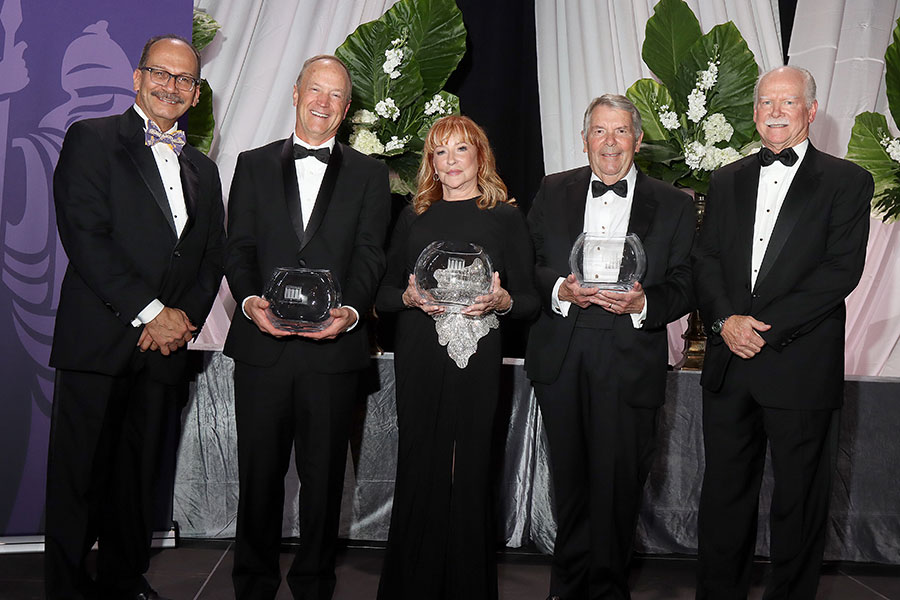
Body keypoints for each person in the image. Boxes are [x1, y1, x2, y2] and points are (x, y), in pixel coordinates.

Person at [46, 34, 224, 600]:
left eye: (184, 80)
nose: (171, 86)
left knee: (138, 478)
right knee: (79, 479)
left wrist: (182, 320)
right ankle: (67, 587)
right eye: (161, 73)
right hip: (100, 341)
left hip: (166, 349)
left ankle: (124, 579)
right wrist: (151, 313)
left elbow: (210, 255)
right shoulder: (92, 138)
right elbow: (86, 236)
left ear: (196, 94)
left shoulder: (205, 169)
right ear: (137, 78)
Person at [693, 66, 872, 600]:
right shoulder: (726, 178)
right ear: (754, 111)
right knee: (724, 496)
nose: (775, 111)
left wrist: (764, 332)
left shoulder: (847, 181)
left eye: (788, 102)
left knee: (798, 501)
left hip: (798, 364)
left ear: (810, 111)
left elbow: (840, 272)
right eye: (766, 101)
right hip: (729, 362)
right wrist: (727, 322)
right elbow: (706, 259)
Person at [223, 54, 390, 599]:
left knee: (324, 483)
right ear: (295, 93)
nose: (323, 102)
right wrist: (249, 302)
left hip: (333, 352)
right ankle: (252, 583)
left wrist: (352, 314)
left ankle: (314, 584)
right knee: (259, 478)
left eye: (336, 95)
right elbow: (240, 246)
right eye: (315, 90)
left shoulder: (369, 175)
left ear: (347, 109)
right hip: (261, 350)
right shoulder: (251, 163)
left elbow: (370, 255)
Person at [526, 94, 695, 599]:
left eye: (621, 131)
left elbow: (688, 282)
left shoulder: (673, 203)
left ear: (638, 140)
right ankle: (566, 586)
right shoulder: (552, 191)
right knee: (570, 480)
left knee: (620, 483)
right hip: (564, 350)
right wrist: (559, 289)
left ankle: (607, 589)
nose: (610, 143)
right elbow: (526, 263)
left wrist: (644, 304)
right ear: (584, 140)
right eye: (600, 131)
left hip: (629, 351)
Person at [375, 115, 539, 600]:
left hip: (479, 356)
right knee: (419, 462)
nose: (449, 162)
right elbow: (383, 293)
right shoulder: (413, 216)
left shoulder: (505, 217)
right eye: (439, 152)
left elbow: (529, 301)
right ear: (431, 161)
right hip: (419, 353)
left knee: (470, 466)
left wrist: (502, 301)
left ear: (479, 156)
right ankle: (410, 586)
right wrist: (406, 298)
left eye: (460, 150)